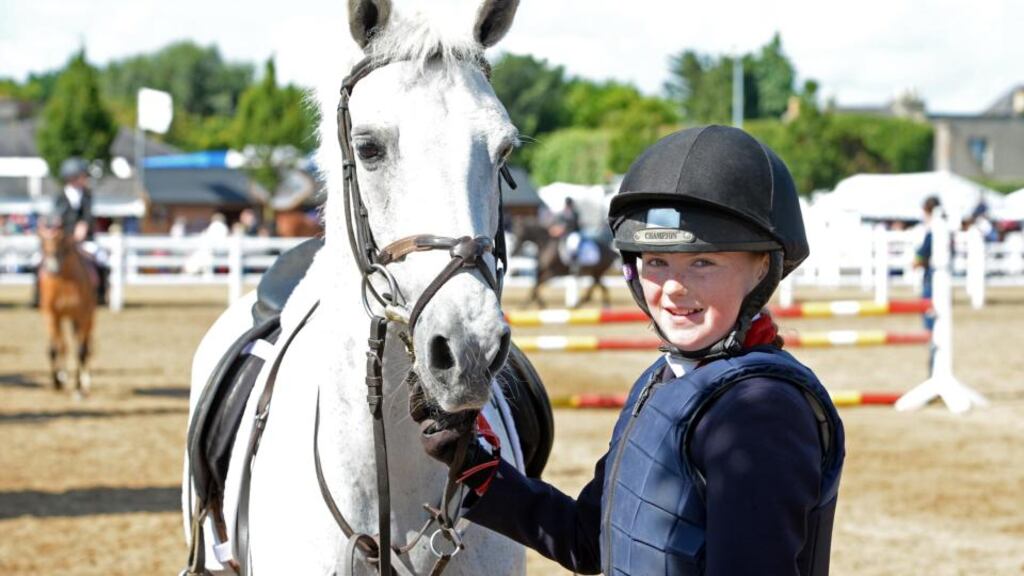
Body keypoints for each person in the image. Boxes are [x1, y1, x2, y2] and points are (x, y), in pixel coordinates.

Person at [413, 126, 846, 575]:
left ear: (762, 269)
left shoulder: (760, 412)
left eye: (703, 262)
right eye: (657, 262)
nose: (674, 288)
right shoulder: (665, 380)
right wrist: (477, 469)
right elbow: (588, 540)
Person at [33, 157, 109, 306]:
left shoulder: (87, 195)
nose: (85, 178)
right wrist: (54, 227)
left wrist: (84, 226)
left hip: (84, 239)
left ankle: (100, 294)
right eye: (83, 175)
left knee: (102, 259)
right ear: (73, 177)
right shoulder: (60, 196)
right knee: (37, 261)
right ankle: (37, 297)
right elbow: (55, 216)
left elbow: (87, 216)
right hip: (63, 240)